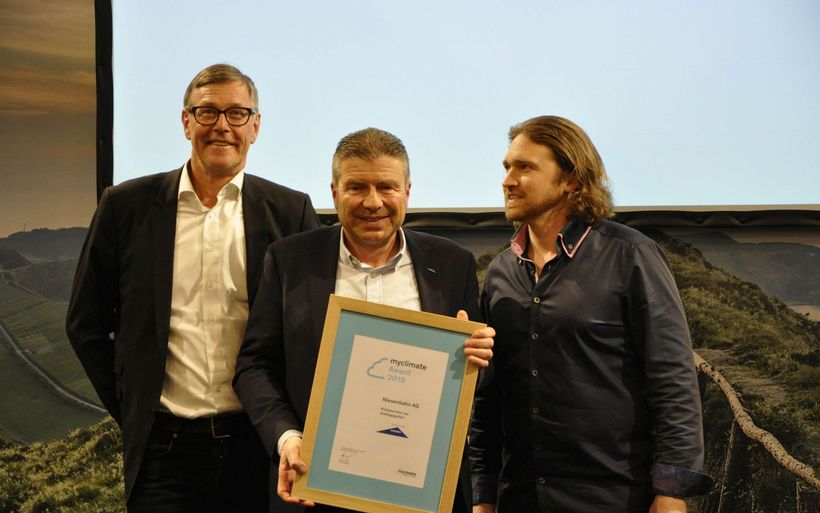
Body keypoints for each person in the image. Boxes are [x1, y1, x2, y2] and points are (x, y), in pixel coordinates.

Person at [66, 63, 320, 513]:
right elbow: (85, 324)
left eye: (237, 113)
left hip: (258, 446)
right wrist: (133, 408)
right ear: (186, 122)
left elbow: (316, 329)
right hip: (163, 452)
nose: (222, 125)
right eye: (207, 112)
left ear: (255, 127)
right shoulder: (124, 207)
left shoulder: (290, 212)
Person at [233, 127, 495, 513]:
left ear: (407, 192)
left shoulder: (451, 263)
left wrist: (478, 360)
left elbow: (477, 380)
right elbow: (254, 367)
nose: (373, 202)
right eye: (357, 187)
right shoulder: (290, 261)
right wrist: (287, 437)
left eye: (386, 187)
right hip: (316, 489)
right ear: (334, 192)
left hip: (422, 491)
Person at [469, 116, 713, 513]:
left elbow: (672, 377)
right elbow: (490, 398)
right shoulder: (499, 273)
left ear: (570, 179)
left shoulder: (631, 256)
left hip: (613, 497)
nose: (508, 180)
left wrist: (671, 490)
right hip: (520, 498)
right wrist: (483, 495)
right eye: (507, 167)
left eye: (524, 167)